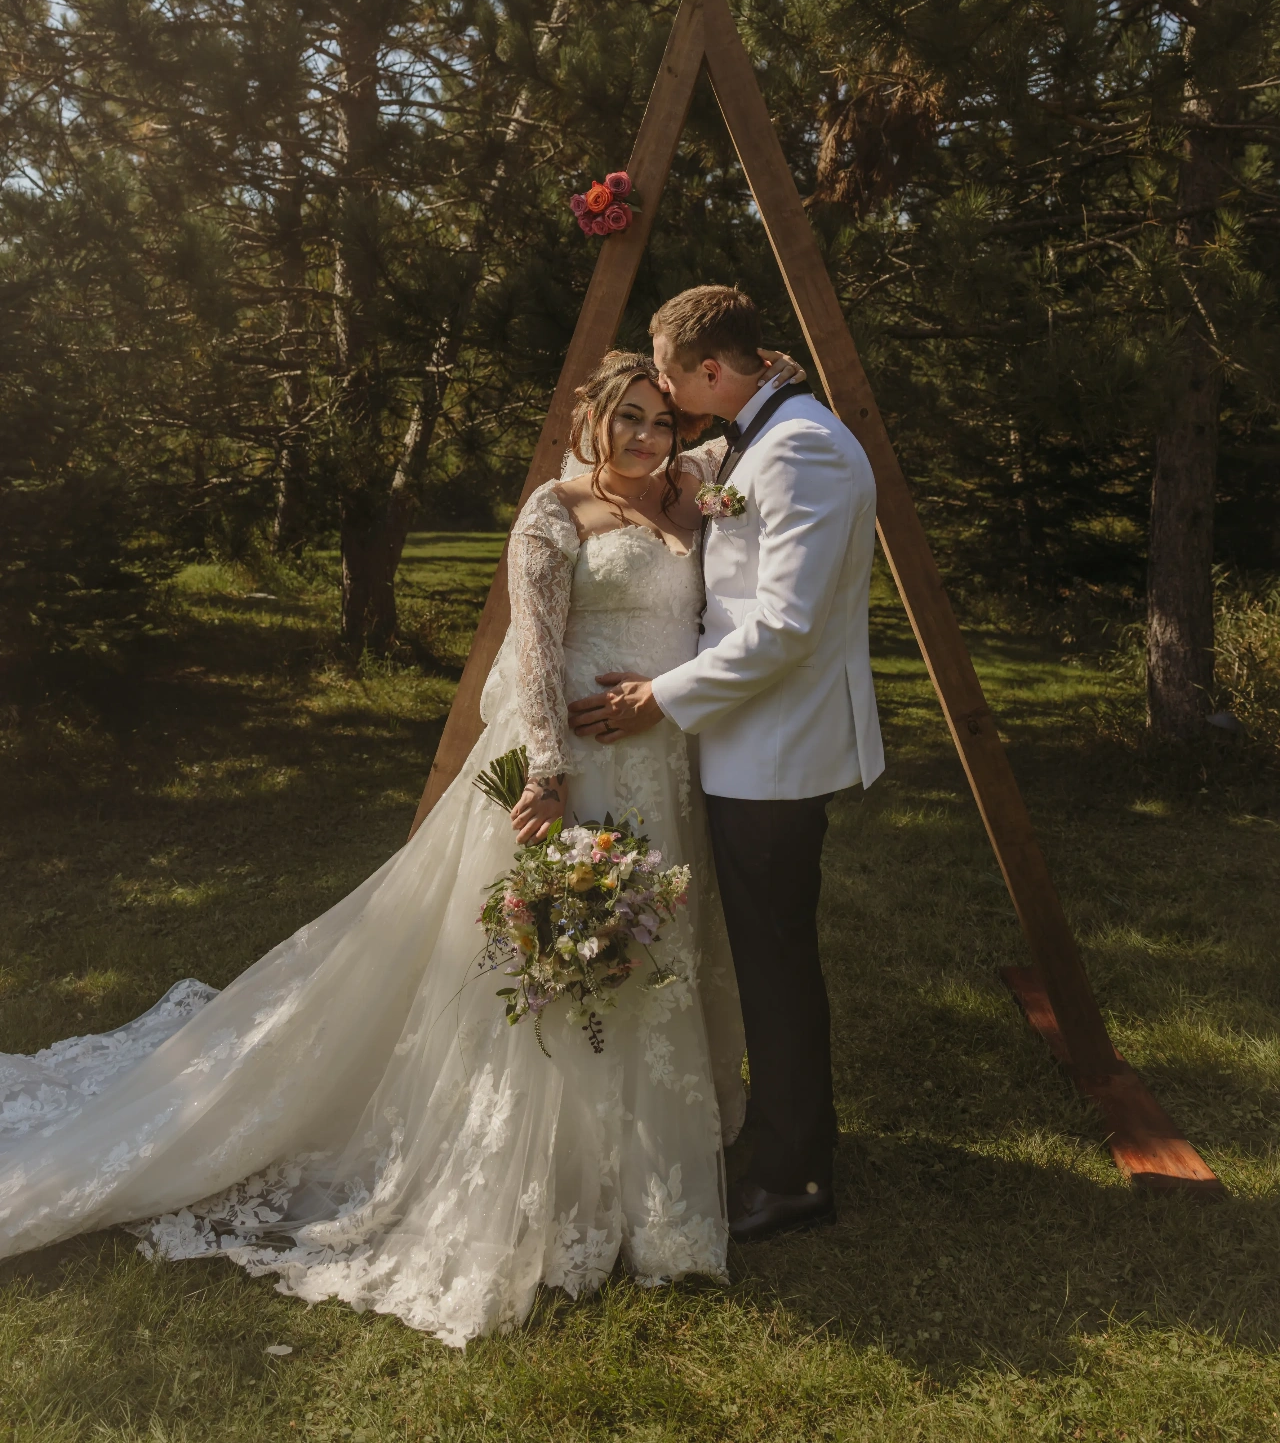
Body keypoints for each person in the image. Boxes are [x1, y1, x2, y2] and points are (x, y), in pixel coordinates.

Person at [0, 350, 790, 1348]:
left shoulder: (684, 492)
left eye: (659, 421)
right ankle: (550, 1173)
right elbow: (538, 648)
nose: (645, 437)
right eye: (625, 418)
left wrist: (762, 370)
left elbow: (736, 425)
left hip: (664, 767)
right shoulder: (554, 511)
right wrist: (545, 770)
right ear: (588, 421)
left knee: (649, 953)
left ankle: (649, 1177)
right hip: (580, 766)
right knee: (562, 962)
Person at [568, 286, 883, 1243]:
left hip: (777, 755)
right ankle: (788, 1143)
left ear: (711, 372)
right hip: (750, 747)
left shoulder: (804, 449)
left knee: (777, 966)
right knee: (764, 959)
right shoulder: (764, 428)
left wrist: (656, 698)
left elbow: (783, 628)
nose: (657, 387)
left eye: (666, 372)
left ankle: (794, 1175)